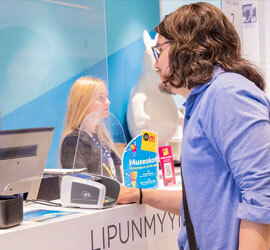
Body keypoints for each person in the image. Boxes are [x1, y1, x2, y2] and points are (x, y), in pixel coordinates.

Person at [117, 3, 270, 249]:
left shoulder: (227, 93)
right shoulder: (201, 101)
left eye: (159, 51)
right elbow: (201, 203)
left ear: (187, 47)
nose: (156, 65)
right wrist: (140, 195)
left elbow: (263, 194)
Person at [60, 77, 123, 182]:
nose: (108, 102)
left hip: (115, 196)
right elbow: (79, 185)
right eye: (101, 98)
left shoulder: (101, 136)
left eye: (107, 97)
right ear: (83, 102)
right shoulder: (73, 141)